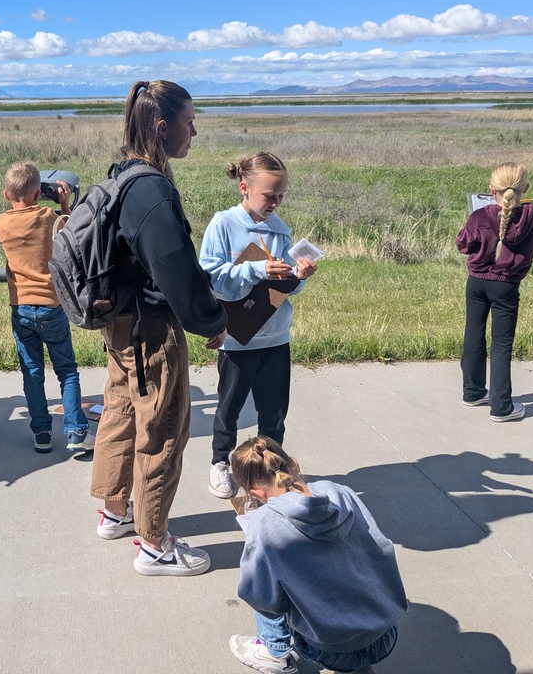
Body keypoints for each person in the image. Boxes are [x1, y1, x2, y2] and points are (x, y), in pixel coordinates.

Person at [91, 80, 228, 577]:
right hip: (152, 331)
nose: (195, 131)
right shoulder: (151, 188)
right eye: (190, 121)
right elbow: (174, 272)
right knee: (163, 431)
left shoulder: (123, 175)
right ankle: (154, 544)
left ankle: (114, 510)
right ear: (162, 125)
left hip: (122, 326)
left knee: (121, 414)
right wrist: (212, 320)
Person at [228, 436, 408, 674]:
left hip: (329, 647)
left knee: (263, 578)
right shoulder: (339, 491)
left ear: (256, 493)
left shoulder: (263, 523)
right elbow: (381, 548)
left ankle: (274, 651)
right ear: (294, 463)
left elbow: (263, 600)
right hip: (385, 630)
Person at [199, 152, 316, 500]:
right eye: (269, 195)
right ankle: (221, 462)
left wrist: (300, 276)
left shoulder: (280, 230)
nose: (275, 203)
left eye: (281, 196)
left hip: (275, 336)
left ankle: (273, 468)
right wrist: (257, 270)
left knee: (274, 411)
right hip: (237, 337)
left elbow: (285, 287)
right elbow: (212, 278)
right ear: (244, 188)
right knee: (229, 407)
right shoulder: (223, 224)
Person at [0, 162, 92, 454]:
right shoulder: (50, 217)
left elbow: (20, 212)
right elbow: (73, 230)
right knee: (67, 370)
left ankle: (42, 433)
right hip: (52, 305)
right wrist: (63, 201)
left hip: (21, 307)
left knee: (32, 373)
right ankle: (75, 431)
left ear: (5, 194)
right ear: (39, 193)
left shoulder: (0, 223)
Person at [458, 162, 533, 422]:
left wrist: (481, 219)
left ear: (490, 189)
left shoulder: (480, 215)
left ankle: (472, 392)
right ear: (526, 188)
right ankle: (501, 406)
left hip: (477, 281)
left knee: (473, 334)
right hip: (507, 284)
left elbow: (463, 245)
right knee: (501, 345)